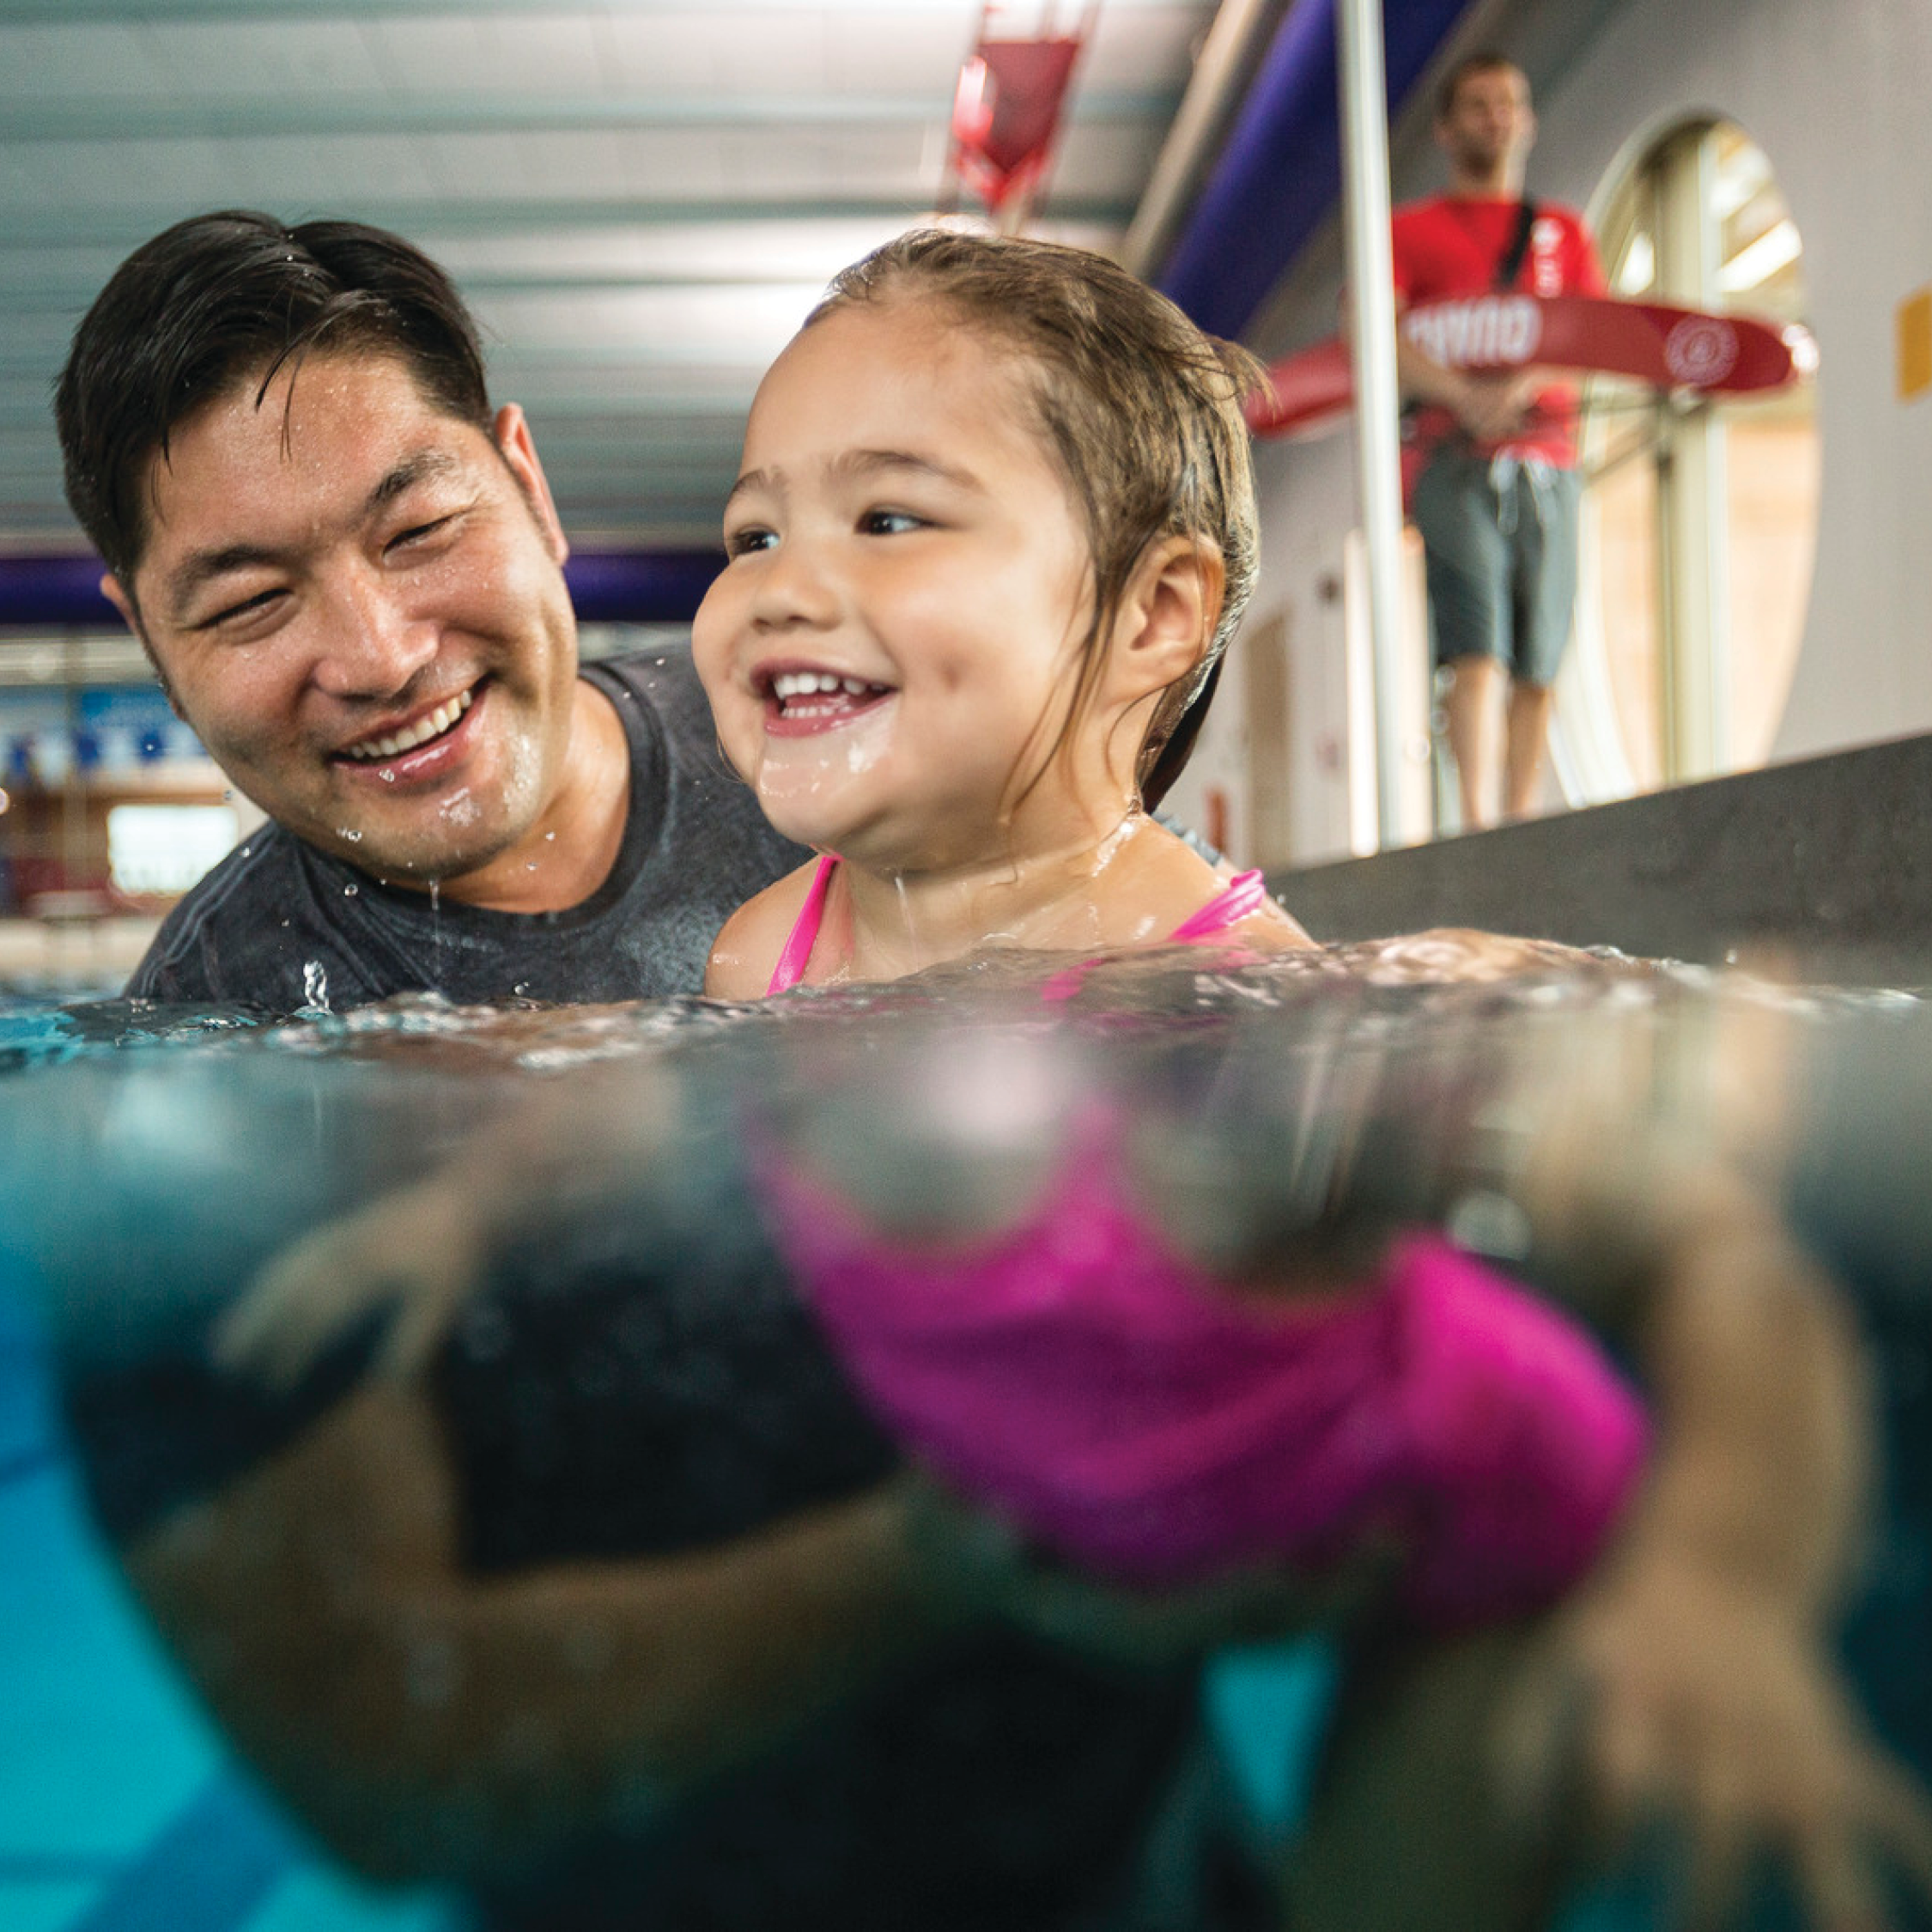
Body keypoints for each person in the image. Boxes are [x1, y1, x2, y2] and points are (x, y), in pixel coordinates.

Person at [55, 210, 805, 1011]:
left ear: (529, 486)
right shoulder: (208, 1025)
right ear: (148, 641)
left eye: (419, 531)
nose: (382, 658)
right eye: (254, 602)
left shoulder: (801, 719)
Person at [1391, 52, 1607, 829]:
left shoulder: (1564, 234)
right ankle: (1480, 825)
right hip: (1452, 464)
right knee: (1476, 643)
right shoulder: (1408, 234)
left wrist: (1522, 385)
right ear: (1448, 128)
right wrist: (1460, 395)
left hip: (1549, 460)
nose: (1496, 117)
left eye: (1508, 102)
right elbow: (1374, 332)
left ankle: (1522, 820)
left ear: (1528, 119)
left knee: (1540, 655)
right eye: (1478, 105)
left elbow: (1595, 336)